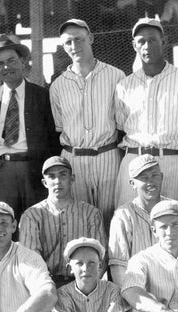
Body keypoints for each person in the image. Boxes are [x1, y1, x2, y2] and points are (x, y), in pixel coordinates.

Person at [115, 18, 178, 220]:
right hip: (134, 160)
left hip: (173, 160)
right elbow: (119, 132)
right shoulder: (124, 85)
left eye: (153, 40)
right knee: (130, 225)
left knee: (174, 225)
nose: (147, 46)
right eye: (141, 41)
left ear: (164, 41)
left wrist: (174, 155)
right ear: (134, 45)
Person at [50, 19, 125, 226]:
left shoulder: (116, 76)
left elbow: (122, 125)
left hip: (107, 154)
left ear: (90, 38)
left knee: (111, 217)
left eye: (79, 39)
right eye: (68, 43)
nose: (74, 46)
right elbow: (59, 128)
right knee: (79, 220)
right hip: (73, 158)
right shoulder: (57, 85)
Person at [0, 34, 60, 219]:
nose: (6, 67)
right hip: (2, 172)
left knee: (36, 223)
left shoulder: (42, 96)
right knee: (3, 224)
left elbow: (53, 139)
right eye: (0, 64)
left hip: (33, 171)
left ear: (23, 62)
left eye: (11, 60)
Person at [19, 156, 107, 288]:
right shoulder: (32, 215)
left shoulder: (91, 213)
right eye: (52, 176)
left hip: (82, 284)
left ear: (72, 179)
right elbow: (30, 262)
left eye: (63, 175)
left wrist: (86, 288)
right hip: (45, 285)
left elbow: (101, 259)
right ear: (44, 182)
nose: (57, 181)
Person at [109, 155, 178, 287]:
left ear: (162, 177)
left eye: (154, 175)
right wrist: (133, 298)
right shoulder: (123, 215)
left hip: (174, 288)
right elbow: (118, 267)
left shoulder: (175, 209)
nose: (150, 182)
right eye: (144, 178)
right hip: (138, 289)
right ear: (132, 184)